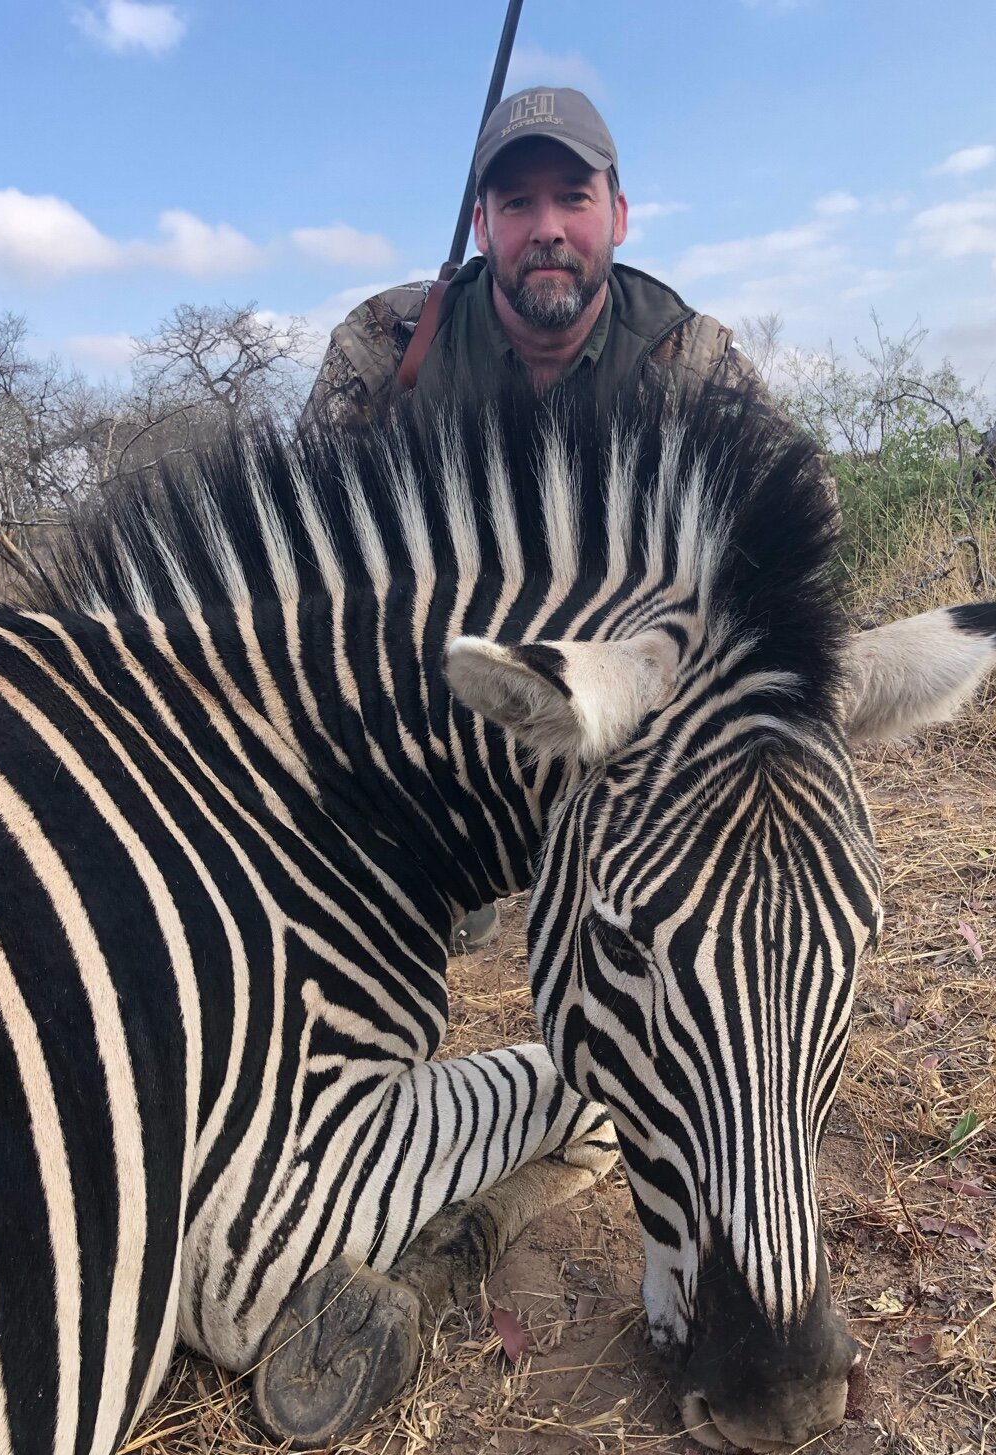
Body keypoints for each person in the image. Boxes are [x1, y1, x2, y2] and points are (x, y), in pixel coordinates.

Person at [303, 87, 780, 948]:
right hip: (435, 694)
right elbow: (304, 557)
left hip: (625, 702)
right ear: (482, 228)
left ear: (619, 215)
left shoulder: (690, 353)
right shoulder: (384, 343)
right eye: (517, 202)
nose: (547, 226)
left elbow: (798, 515)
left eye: (573, 196)